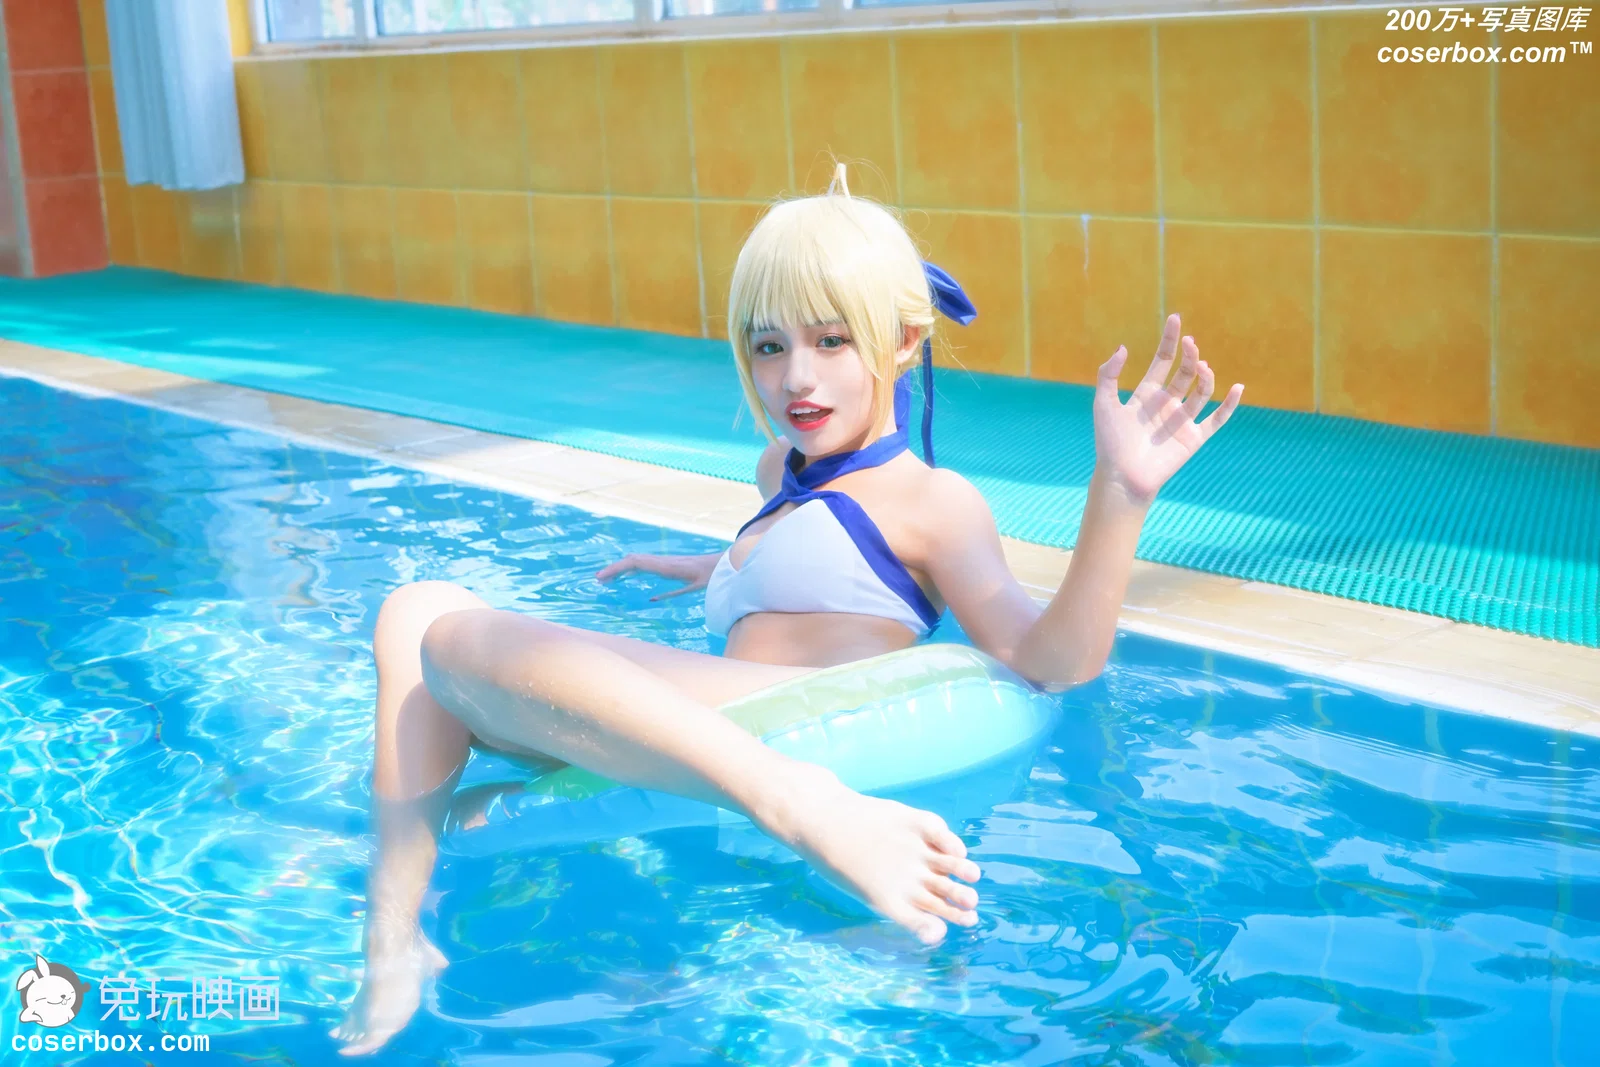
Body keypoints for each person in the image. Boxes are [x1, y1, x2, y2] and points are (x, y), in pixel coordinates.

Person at [330, 164, 1242, 1056]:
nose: (796, 377)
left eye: (832, 341)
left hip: (791, 732)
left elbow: (1050, 661)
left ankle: (802, 806)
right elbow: (817, 565)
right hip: (716, 718)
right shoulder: (781, 472)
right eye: (769, 347)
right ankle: (393, 932)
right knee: (410, 623)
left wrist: (1119, 496)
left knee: (445, 630)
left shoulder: (932, 501)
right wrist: (713, 566)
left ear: (904, 341)